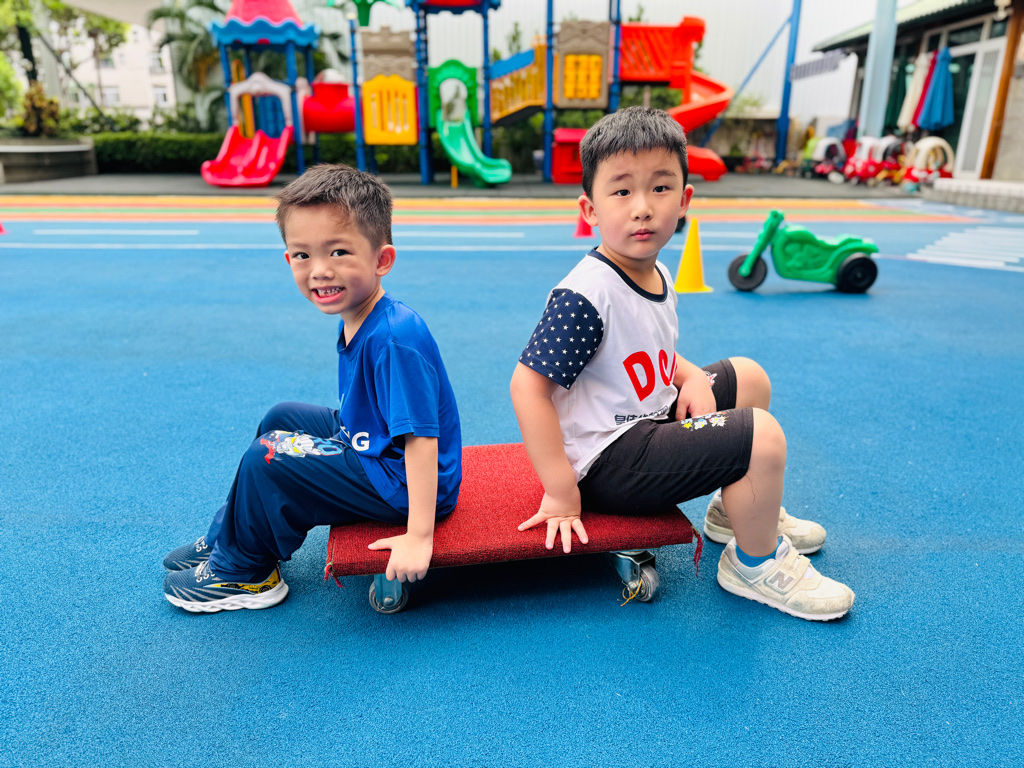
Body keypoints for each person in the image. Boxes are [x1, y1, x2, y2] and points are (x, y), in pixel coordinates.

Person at [509, 107, 854, 621]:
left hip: (647, 419)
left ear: (685, 200)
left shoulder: (656, 273)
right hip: (609, 460)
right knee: (760, 435)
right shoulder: (585, 294)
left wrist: (689, 375)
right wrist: (560, 490)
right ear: (590, 209)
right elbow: (527, 387)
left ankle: (735, 513)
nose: (643, 208)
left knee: (748, 377)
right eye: (622, 191)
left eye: (660, 188)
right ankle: (754, 565)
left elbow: (644, 352)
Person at [163, 164, 462, 613]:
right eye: (303, 255)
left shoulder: (394, 337)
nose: (320, 270)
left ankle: (247, 573)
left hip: (402, 482)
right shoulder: (358, 313)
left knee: (269, 455)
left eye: (338, 252)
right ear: (289, 260)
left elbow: (421, 438)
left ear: (382, 260)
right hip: (374, 448)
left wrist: (419, 535)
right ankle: (230, 536)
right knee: (281, 417)